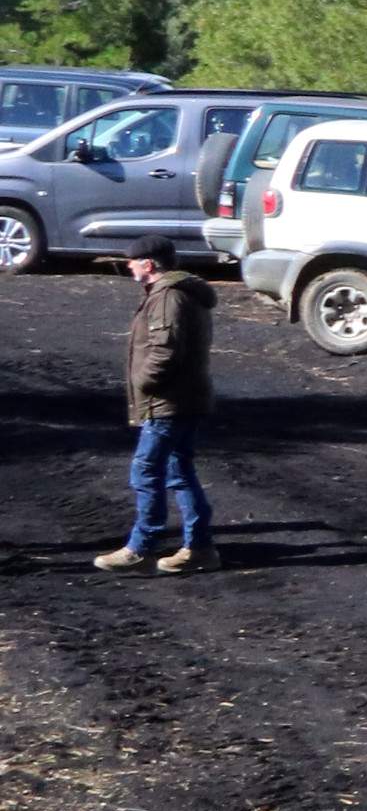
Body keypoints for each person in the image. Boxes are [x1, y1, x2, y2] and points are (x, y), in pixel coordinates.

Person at [96, 237, 214, 576]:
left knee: (146, 472)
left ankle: (141, 548)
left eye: (132, 261)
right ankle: (200, 548)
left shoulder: (168, 297)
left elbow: (165, 351)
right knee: (179, 472)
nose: (128, 266)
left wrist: (144, 383)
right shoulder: (174, 294)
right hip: (183, 399)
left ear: (148, 264)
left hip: (169, 402)